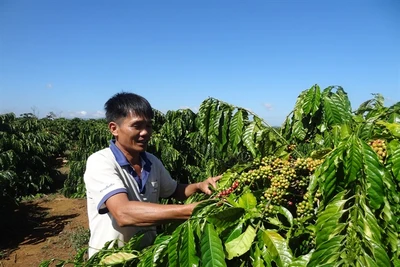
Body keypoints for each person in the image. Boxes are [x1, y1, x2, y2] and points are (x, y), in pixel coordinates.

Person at [84, 92, 220, 258]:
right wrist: (193, 210)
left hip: (147, 257)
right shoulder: (101, 161)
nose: (145, 132)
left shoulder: (151, 161)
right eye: (137, 126)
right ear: (114, 129)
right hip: (111, 259)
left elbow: (175, 190)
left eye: (148, 126)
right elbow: (123, 213)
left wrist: (199, 186)